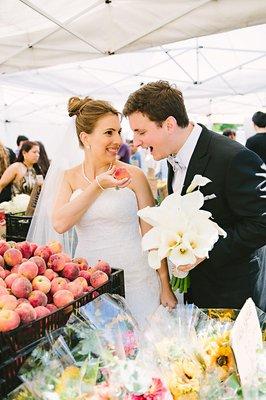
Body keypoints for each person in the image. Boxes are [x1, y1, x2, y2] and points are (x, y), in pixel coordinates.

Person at [30, 97, 176, 327]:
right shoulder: (69, 178)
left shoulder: (134, 175)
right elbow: (60, 223)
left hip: (137, 276)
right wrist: (97, 186)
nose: (118, 140)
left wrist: (165, 286)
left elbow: (152, 236)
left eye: (118, 131)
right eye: (109, 132)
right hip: (90, 281)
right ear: (85, 138)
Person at [123, 80, 266, 310]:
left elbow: (262, 223)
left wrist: (205, 250)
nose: (136, 141)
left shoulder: (233, 158)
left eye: (141, 131)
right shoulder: (172, 156)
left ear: (169, 125)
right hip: (194, 292)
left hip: (232, 295)